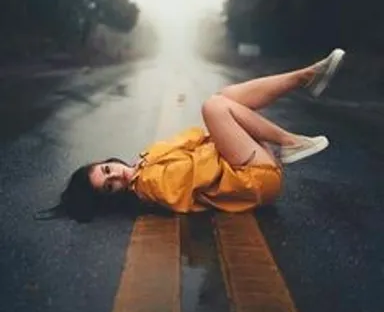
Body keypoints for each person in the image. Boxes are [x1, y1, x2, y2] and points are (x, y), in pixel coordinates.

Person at [35, 49, 345, 223]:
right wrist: (223, 133)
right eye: (109, 187)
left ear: (104, 162)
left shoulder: (144, 167)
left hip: (244, 167)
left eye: (106, 170)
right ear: (114, 198)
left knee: (224, 98)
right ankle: (288, 142)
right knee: (214, 106)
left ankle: (307, 76)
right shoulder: (152, 185)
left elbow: (194, 141)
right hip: (254, 179)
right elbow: (205, 170)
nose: (115, 176)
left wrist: (222, 133)